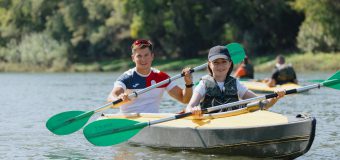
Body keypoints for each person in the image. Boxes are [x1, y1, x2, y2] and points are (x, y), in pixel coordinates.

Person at [185, 45, 286, 117]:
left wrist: (275, 98)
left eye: (224, 62)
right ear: (210, 64)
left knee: (251, 106)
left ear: (229, 63)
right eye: (216, 62)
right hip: (212, 124)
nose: (220, 66)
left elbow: (263, 103)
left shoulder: (236, 84)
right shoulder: (203, 84)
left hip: (234, 123)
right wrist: (194, 110)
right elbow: (189, 107)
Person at [107, 39, 194, 113]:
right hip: (130, 121)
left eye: (146, 55)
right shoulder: (127, 77)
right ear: (133, 58)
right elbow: (111, 98)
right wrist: (119, 99)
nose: (143, 59)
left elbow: (184, 99)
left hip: (152, 120)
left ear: (152, 56)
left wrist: (188, 84)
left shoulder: (161, 77)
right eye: (139, 56)